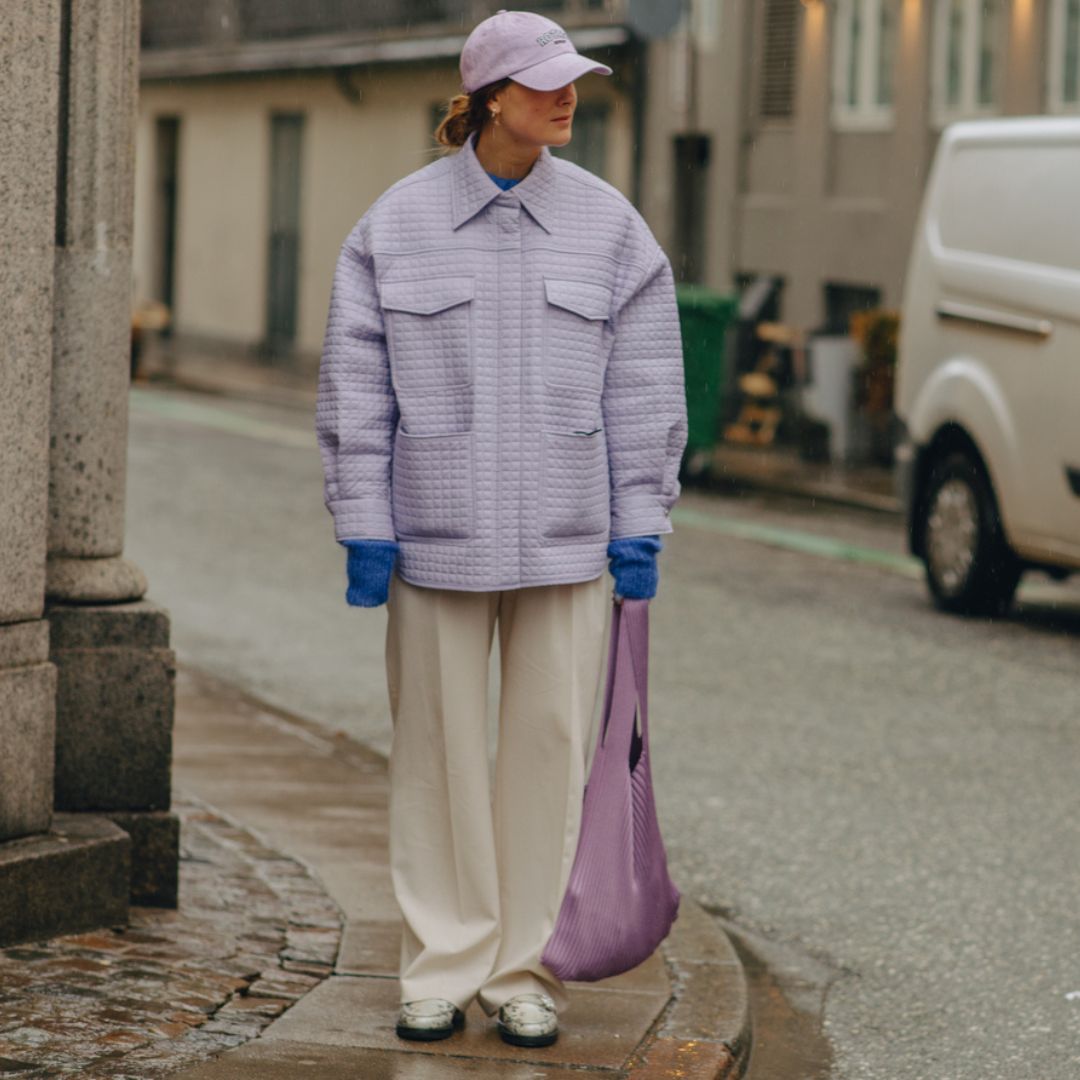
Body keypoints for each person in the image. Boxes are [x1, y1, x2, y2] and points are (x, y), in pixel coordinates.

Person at [315, 7, 687, 1050]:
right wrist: (365, 522)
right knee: (435, 758)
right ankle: (439, 965)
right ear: (488, 99)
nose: (568, 94)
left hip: (570, 546)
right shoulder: (396, 224)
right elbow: (356, 387)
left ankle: (524, 972)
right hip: (434, 544)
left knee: (548, 754)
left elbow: (647, 388)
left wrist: (638, 525)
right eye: (544, 82)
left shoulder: (612, 227)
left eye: (573, 78)